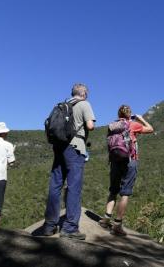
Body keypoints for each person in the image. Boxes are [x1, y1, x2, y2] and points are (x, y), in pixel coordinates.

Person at [41, 83, 96, 240]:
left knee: (56, 185)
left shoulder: (62, 105)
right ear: (84, 94)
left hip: (59, 147)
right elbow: (90, 126)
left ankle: (50, 225)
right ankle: (70, 228)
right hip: (75, 148)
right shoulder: (84, 104)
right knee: (74, 187)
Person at [99, 104, 154, 236]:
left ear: (119, 114)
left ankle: (106, 219)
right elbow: (151, 129)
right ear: (129, 114)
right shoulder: (133, 124)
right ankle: (117, 225)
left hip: (115, 161)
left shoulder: (112, 125)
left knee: (113, 190)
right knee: (125, 193)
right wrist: (141, 119)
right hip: (130, 160)